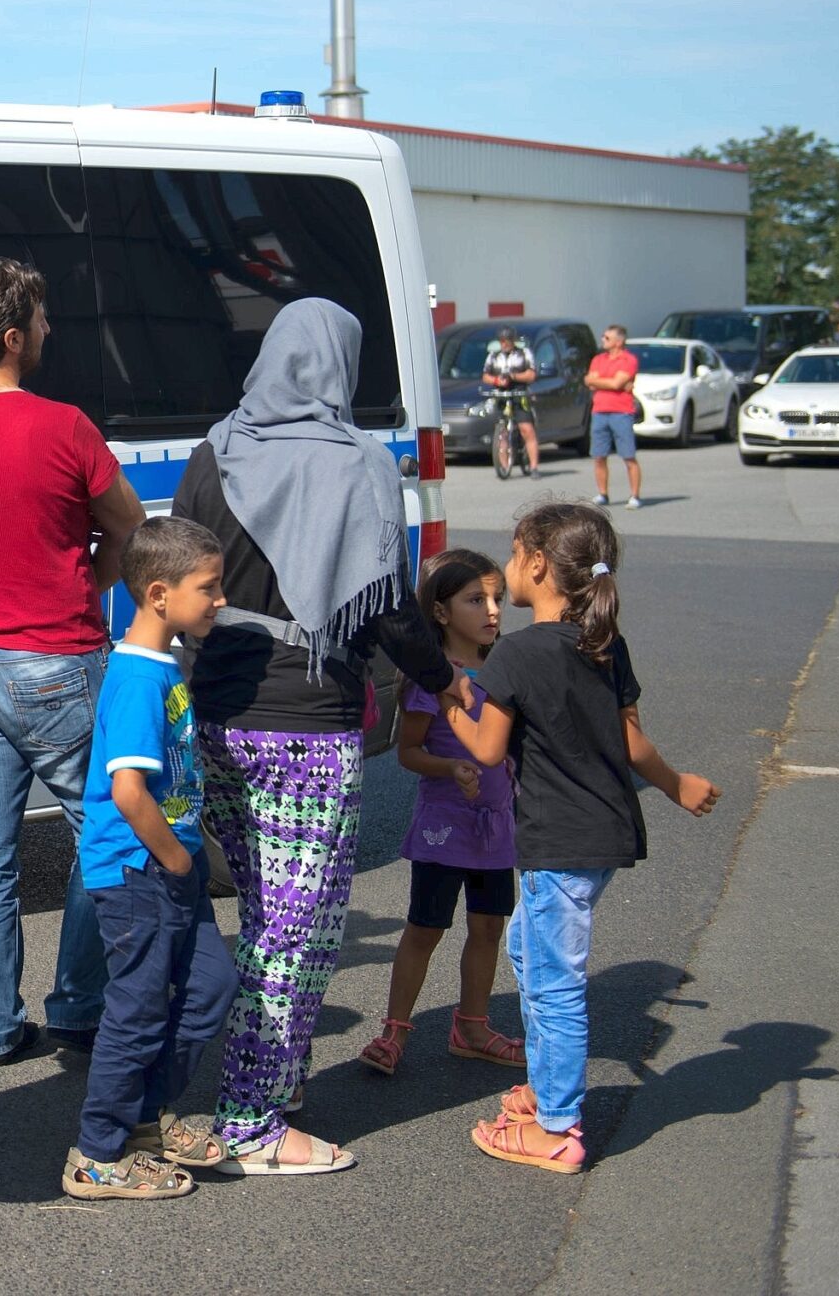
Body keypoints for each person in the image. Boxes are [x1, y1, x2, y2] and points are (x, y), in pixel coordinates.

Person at [170, 297, 469, 1172]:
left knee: (264, 912)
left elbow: (179, 582)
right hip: (308, 726)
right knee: (295, 929)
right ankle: (252, 1123)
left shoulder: (213, 452)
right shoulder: (360, 465)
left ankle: (281, 1068)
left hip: (218, 719)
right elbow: (388, 614)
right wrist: (446, 683)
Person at [439, 502, 720, 1171]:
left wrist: (451, 697)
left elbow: (485, 749)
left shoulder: (516, 652)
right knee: (534, 960)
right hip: (602, 835)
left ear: (537, 564)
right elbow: (629, 737)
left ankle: (558, 1128)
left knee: (551, 981)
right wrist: (676, 785)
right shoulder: (603, 642)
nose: (507, 570)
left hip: (557, 842)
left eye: (512, 556)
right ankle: (544, 1092)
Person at [0, 258, 140, 1065]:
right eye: (42, 322)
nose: (51, 332)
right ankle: (79, 1006)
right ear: (13, 337)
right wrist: (90, 575)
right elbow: (128, 523)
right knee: (103, 834)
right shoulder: (64, 427)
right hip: (57, 660)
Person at [62, 515, 242, 1199]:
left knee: (210, 989)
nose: (218, 599)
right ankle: (98, 1153)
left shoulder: (160, 662)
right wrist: (176, 862)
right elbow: (129, 790)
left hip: (169, 867)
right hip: (141, 871)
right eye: (210, 587)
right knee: (135, 1011)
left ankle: (143, 1117)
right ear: (160, 593)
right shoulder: (137, 676)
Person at [359, 548, 523, 1079]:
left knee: (487, 928)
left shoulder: (506, 672)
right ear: (442, 612)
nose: (493, 610)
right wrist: (450, 769)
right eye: (477, 599)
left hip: (496, 827)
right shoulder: (433, 681)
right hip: (444, 829)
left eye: (497, 598)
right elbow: (408, 753)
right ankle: (393, 1032)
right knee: (424, 928)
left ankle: (472, 1027)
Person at [586, 325, 643, 509]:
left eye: (607, 338)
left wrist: (603, 382)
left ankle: (634, 495)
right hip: (599, 411)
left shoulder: (629, 360)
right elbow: (589, 381)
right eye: (603, 337)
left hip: (621, 412)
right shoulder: (598, 359)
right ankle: (603, 493)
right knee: (599, 456)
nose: (603, 340)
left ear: (619, 341)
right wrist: (609, 383)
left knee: (628, 455)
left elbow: (618, 383)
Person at [481, 326, 541, 475]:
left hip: (519, 395)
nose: (504, 344)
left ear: (513, 341)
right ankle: (504, 465)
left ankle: (533, 467)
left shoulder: (524, 353)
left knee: (527, 429)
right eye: (502, 341)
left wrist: (513, 377)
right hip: (502, 395)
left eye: (507, 341)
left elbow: (531, 374)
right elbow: (485, 376)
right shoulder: (493, 356)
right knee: (502, 433)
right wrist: (497, 380)